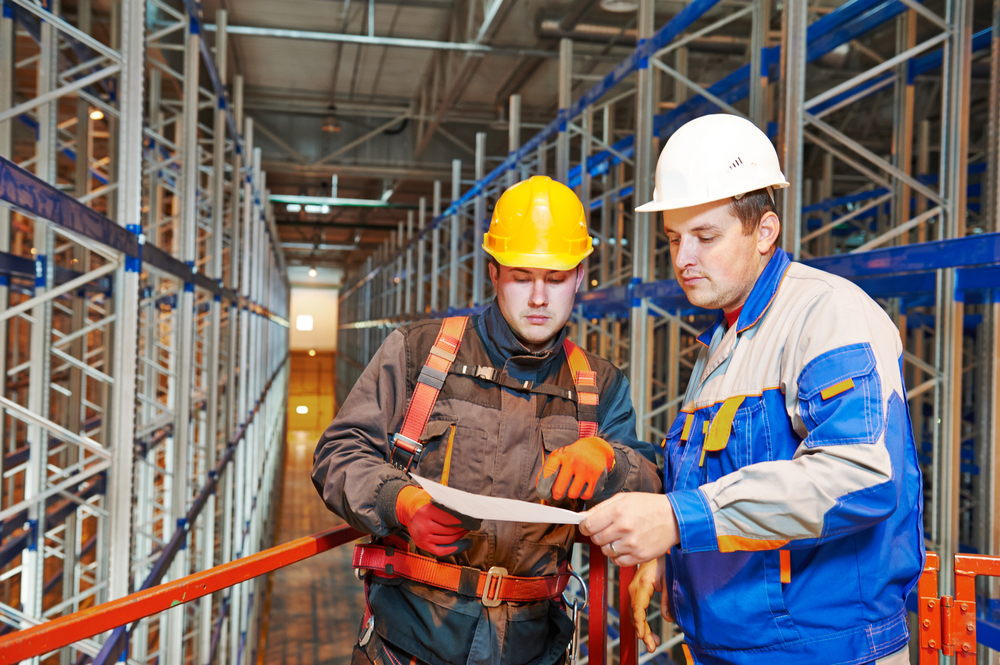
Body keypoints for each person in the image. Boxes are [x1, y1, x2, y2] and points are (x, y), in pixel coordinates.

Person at [580, 114, 924, 665]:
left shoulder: (827, 315)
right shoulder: (722, 342)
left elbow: (861, 476)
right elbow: (715, 485)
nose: (683, 259)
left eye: (705, 237)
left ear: (765, 231)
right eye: (673, 238)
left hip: (826, 651)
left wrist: (674, 519)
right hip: (723, 645)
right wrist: (670, 561)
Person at [312, 175, 662, 665]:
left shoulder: (598, 386)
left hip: (534, 646)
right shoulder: (421, 353)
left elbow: (651, 482)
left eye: (556, 279)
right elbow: (339, 452)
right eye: (522, 277)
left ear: (580, 276)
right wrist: (401, 502)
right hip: (412, 643)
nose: (539, 298)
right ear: (494, 273)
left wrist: (610, 459)